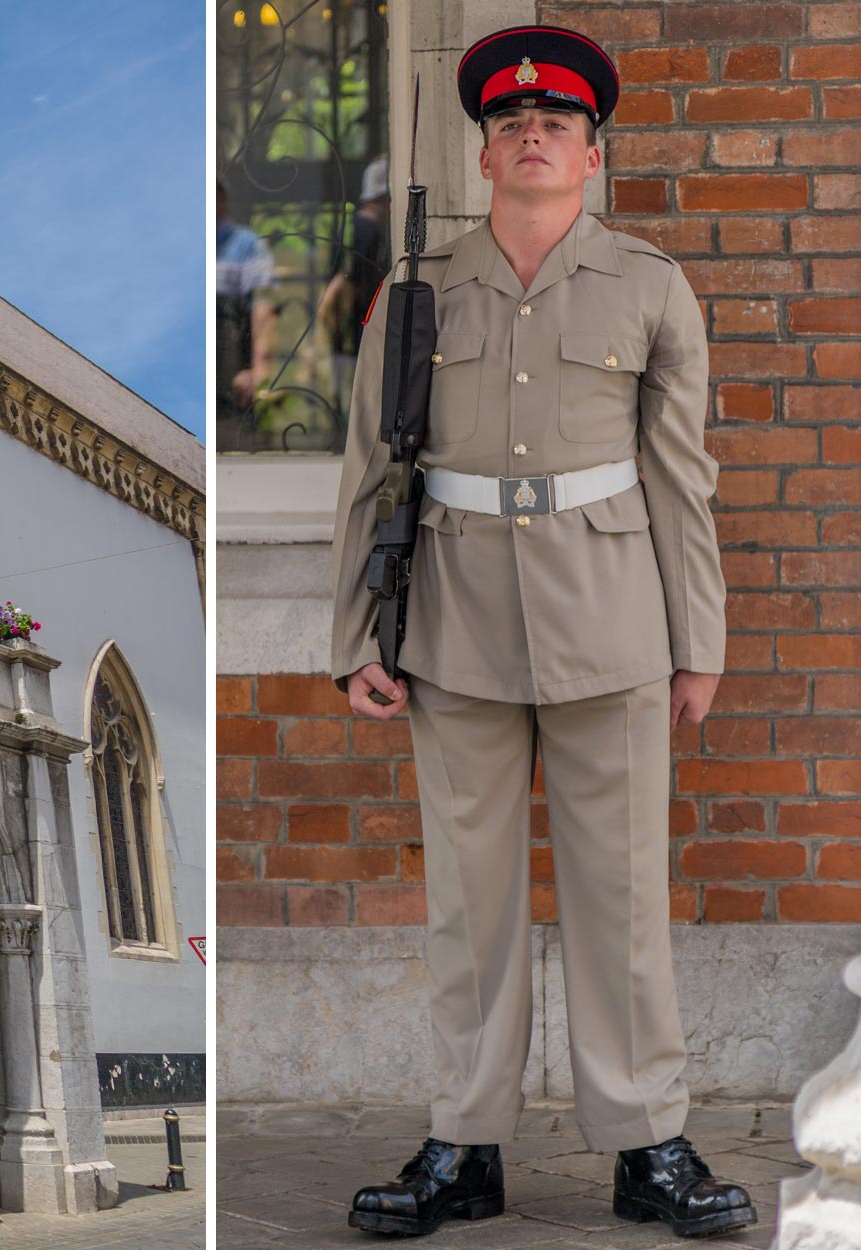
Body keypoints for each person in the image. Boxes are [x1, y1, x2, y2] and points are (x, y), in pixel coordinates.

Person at [327, 25, 753, 1240]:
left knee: (621, 892)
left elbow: (683, 477)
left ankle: (647, 1143)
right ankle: (464, 1143)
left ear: (591, 151)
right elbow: (371, 472)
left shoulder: (648, 284)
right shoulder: (415, 294)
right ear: (482, 154)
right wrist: (359, 630)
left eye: (555, 124)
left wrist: (699, 639)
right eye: (512, 124)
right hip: (453, 615)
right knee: (469, 903)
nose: (532, 136)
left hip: (612, 613)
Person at [318, 157, 393, 409]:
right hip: (359, 331)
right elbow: (342, 281)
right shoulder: (368, 230)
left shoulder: (349, 226)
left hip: (347, 336)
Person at [216, 178, 278, 437]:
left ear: (221, 200)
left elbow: (265, 308)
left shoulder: (247, 246)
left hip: (237, 385)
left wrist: (258, 371)